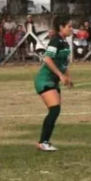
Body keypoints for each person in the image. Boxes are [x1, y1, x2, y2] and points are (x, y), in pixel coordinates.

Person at [33, 17, 74, 152]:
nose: (71, 29)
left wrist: (68, 77)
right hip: (45, 79)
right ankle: (42, 142)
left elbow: (64, 63)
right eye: (69, 26)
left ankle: (44, 141)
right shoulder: (55, 41)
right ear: (61, 27)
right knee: (54, 109)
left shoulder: (65, 43)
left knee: (55, 110)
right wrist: (61, 75)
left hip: (54, 80)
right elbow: (47, 58)